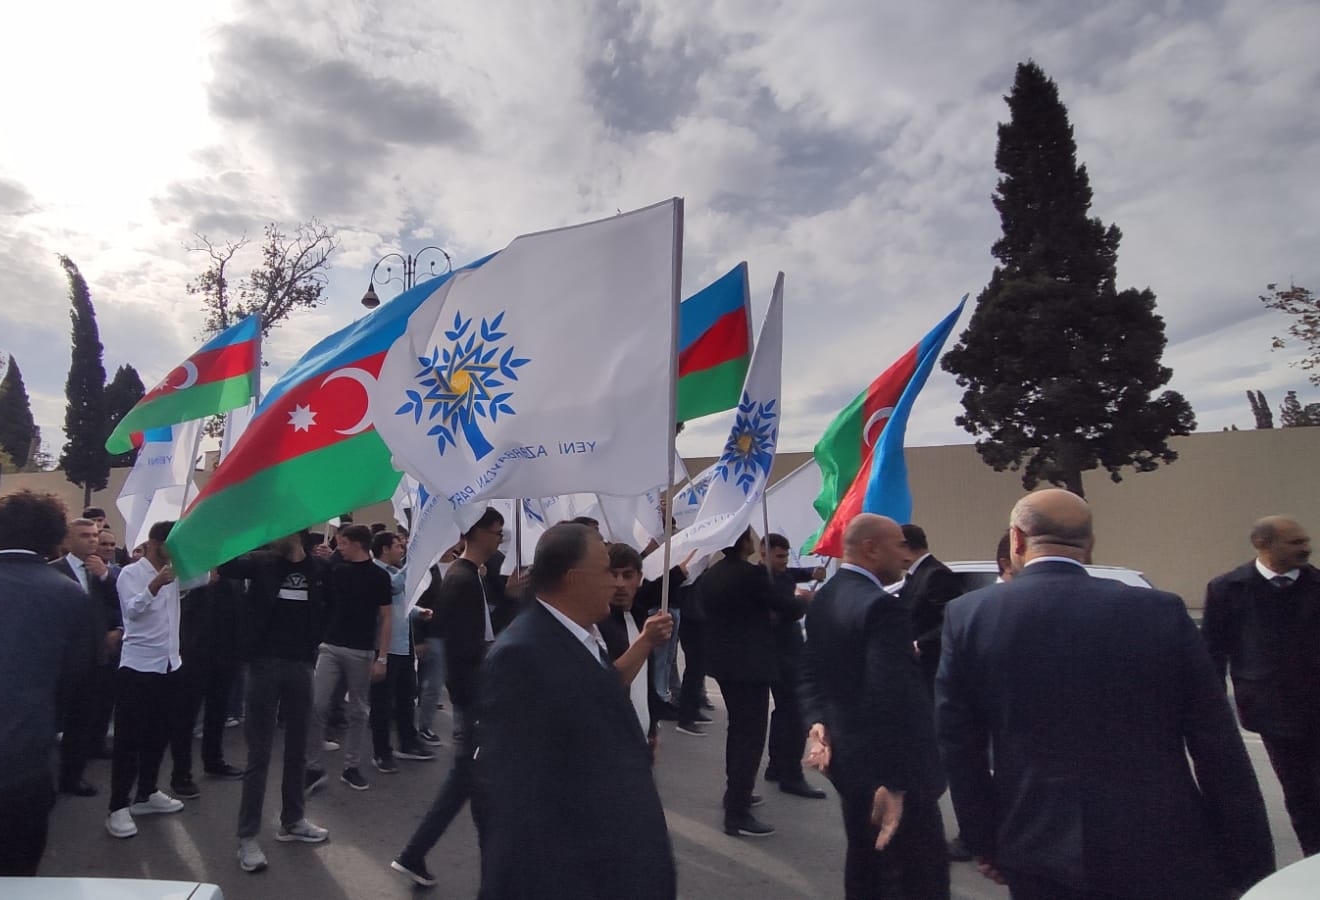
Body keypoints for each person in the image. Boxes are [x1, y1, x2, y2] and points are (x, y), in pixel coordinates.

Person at [937, 489, 1275, 900]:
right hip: (1158, 839)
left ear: (1017, 539)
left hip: (1034, 841)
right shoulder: (1160, 611)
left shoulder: (969, 616)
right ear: (1090, 544)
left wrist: (984, 839)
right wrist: (1248, 858)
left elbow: (960, 744)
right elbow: (1216, 741)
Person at [473, 523, 676, 899]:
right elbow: (513, 794)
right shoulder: (521, 653)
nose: (615, 583)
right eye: (607, 571)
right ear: (573, 578)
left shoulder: (582, 637)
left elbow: (594, 704)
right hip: (573, 871)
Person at [800, 514, 950, 899]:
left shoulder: (826, 597)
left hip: (849, 764)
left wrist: (816, 720)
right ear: (871, 548)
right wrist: (895, 782)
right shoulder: (882, 608)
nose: (905, 555)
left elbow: (809, 669)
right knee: (914, 878)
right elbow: (894, 698)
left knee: (866, 870)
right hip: (892, 775)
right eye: (898, 545)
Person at [390, 507, 504, 887]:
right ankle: (416, 854)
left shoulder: (469, 576)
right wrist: (474, 696)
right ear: (479, 532)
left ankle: (421, 856)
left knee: (471, 783)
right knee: (469, 780)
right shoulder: (462, 579)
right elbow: (463, 648)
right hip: (474, 697)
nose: (500, 538)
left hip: (474, 695)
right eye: (497, 531)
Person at [1204, 515, 1320, 856]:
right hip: (1272, 712)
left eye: (1305, 540)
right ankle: (1313, 859)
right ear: (1262, 545)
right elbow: (1214, 651)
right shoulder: (1228, 589)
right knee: (1300, 793)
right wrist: (1212, 707)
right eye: (1295, 542)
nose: (1306, 548)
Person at [219, 532, 332, 874]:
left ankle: (293, 820)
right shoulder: (260, 562)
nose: (276, 533)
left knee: (298, 748)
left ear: (299, 531)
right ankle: (248, 836)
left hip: (301, 664)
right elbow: (225, 565)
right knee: (259, 754)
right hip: (263, 665)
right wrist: (230, 527)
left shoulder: (319, 569)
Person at [0, 491, 94, 875]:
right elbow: (75, 677)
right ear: (55, 536)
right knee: (19, 873)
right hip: (26, 762)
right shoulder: (68, 594)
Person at [698, 527, 788, 837]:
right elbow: (783, 607)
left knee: (737, 731)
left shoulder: (712, 575)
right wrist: (804, 600)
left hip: (724, 663)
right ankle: (737, 812)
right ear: (744, 542)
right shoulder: (753, 575)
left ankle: (735, 793)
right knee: (749, 737)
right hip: (750, 665)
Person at [105, 521, 189, 839]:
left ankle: (147, 792)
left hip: (169, 665)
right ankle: (117, 806)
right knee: (129, 739)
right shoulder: (131, 573)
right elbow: (132, 612)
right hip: (138, 667)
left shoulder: (177, 572)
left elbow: (208, 577)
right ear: (154, 543)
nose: (175, 551)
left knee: (159, 733)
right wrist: (154, 585)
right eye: (171, 544)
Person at [304, 524, 392, 794]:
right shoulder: (336, 570)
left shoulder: (379, 576)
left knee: (358, 710)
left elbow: (386, 617)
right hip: (330, 646)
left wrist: (382, 657)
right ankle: (313, 767)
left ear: (357, 544)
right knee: (317, 705)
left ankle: (351, 766)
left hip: (361, 650)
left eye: (342, 543)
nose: (338, 548)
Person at [49, 516, 122, 796]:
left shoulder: (102, 572)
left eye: (94, 535)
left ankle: (72, 776)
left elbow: (121, 602)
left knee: (81, 720)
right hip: (61, 660)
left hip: (94, 658)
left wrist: (105, 576)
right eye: (84, 536)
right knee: (52, 721)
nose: (92, 540)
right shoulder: (54, 571)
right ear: (68, 541)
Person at [761, 533, 828, 799]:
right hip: (781, 654)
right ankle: (791, 774)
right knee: (795, 715)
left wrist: (812, 571)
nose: (784, 561)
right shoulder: (765, 580)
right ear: (763, 553)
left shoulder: (782, 574)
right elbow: (787, 608)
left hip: (787, 652)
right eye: (779, 556)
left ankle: (777, 766)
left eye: (786, 555)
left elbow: (793, 573)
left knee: (784, 713)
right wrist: (804, 600)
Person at [369, 531, 435, 772]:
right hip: (385, 646)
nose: (402, 550)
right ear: (384, 549)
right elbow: (393, 589)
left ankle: (409, 742)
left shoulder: (394, 572)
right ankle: (381, 752)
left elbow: (401, 602)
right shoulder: (377, 573)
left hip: (404, 644)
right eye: (398, 546)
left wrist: (418, 611)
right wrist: (414, 562)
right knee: (383, 702)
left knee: (407, 696)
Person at [601, 542, 676, 750]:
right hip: (612, 739)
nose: (620, 584)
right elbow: (608, 683)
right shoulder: (597, 622)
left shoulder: (640, 616)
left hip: (641, 735)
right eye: (613, 575)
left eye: (627, 575)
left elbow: (646, 678)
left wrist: (652, 727)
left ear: (639, 578)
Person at [899, 524, 960, 687]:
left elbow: (950, 620)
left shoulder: (936, 574)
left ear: (905, 546)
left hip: (930, 665)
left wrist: (921, 644)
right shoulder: (916, 574)